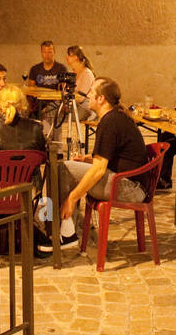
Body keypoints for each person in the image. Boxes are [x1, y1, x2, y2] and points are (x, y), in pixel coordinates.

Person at [52, 78, 149, 259]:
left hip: (129, 188)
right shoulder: (115, 117)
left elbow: (99, 169)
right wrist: (86, 159)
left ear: (101, 99)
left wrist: (72, 198)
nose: (87, 95)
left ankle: (62, 231)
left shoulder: (110, 121)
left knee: (61, 169)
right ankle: (63, 227)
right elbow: (112, 156)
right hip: (130, 183)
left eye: (91, 92)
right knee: (66, 169)